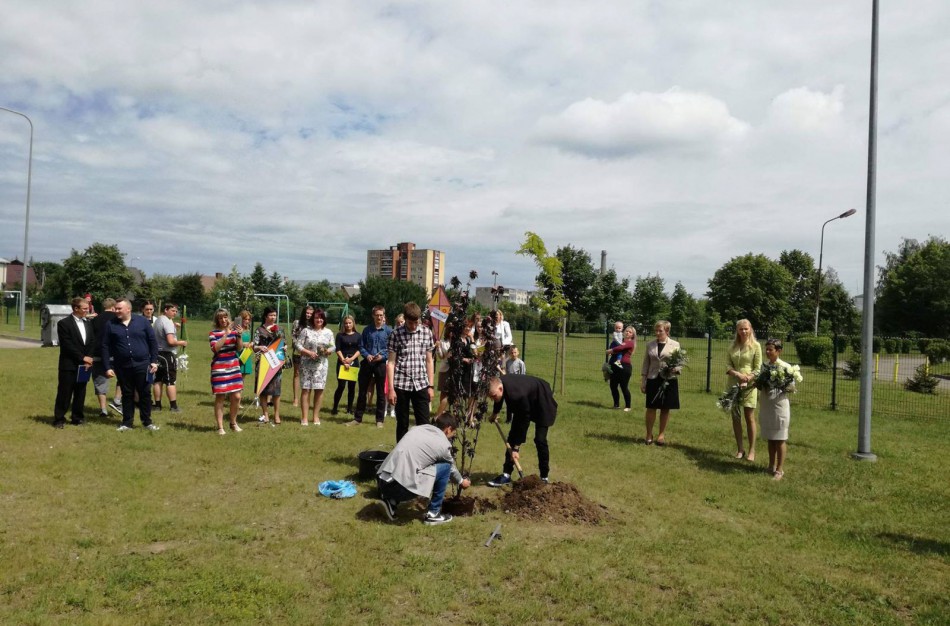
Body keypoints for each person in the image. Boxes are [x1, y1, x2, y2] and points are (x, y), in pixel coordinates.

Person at [376, 413, 471, 525]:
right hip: (400, 487)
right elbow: (451, 468)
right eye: (453, 433)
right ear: (448, 429)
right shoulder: (443, 445)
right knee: (446, 467)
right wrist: (461, 481)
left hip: (382, 482)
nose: (451, 436)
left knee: (412, 467)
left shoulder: (418, 428)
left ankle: (390, 502)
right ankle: (433, 514)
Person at [486, 374, 558, 486]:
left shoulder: (517, 395)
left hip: (542, 401)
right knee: (512, 437)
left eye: (493, 396)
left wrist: (516, 448)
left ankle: (544, 477)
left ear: (500, 388)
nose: (492, 399)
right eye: (490, 397)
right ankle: (506, 475)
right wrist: (495, 414)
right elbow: (499, 399)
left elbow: (524, 421)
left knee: (540, 439)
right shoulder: (501, 384)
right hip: (527, 401)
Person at [101, 298, 160, 432]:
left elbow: (153, 342)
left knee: (144, 393)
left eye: (119, 309)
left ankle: (147, 422)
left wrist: (154, 361)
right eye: (115, 309)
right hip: (122, 366)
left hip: (143, 364)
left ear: (128, 309)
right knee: (127, 394)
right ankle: (127, 423)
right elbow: (105, 346)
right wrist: (107, 367)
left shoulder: (143, 322)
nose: (116, 311)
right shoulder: (111, 324)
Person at [387, 302, 436, 442]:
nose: (413, 326)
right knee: (402, 423)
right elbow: (391, 363)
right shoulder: (396, 334)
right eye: (410, 322)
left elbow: (429, 361)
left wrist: (431, 386)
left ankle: (423, 455)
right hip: (401, 384)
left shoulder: (426, 333)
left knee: (424, 424)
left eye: (416, 322)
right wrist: (391, 389)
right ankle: (402, 456)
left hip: (421, 384)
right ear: (405, 319)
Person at [52, 296, 94, 428]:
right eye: (85, 308)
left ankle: (77, 417)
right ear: (76, 308)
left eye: (88, 308)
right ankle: (59, 419)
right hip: (69, 364)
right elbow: (67, 345)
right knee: (65, 392)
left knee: (81, 391)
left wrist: (89, 358)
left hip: (85, 365)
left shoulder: (88, 323)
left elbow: (92, 341)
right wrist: (82, 357)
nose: (87, 310)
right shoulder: (64, 324)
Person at [347, 306, 391, 427]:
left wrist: (383, 357)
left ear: (384, 316)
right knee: (362, 391)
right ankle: (357, 418)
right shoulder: (367, 330)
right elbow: (361, 346)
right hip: (367, 363)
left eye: (381, 315)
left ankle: (379, 420)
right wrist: (367, 356)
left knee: (381, 392)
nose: (379, 317)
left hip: (381, 363)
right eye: (377, 315)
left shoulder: (388, 331)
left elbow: (391, 349)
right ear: (373, 316)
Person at [640, 320, 681, 446]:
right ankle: (648, 434)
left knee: (665, 408)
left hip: (668, 380)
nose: (657, 333)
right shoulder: (650, 344)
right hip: (653, 379)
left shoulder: (675, 344)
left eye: (660, 331)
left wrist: (676, 369)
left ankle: (661, 435)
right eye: (656, 330)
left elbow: (679, 363)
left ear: (667, 331)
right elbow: (646, 363)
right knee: (651, 407)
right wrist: (643, 380)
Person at [726, 319, 762, 461]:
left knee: (749, 417)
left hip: (749, 385)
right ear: (737, 331)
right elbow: (727, 366)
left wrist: (748, 377)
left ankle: (752, 450)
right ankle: (740, 449)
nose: (744, 331)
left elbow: (758, 368)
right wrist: (737, 374)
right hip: (733, 384)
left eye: (746, 329)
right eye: (741, 329)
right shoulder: (732, 346)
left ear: (751, 329)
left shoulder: (756, 346)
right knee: (735, 417)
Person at [295, 308, 334, 426]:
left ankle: (316, 417)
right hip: (306, 364)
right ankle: (304, 418)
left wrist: (328, 351)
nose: (319, 320)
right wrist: (308, 352)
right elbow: (297, 345)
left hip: (321, 366)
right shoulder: (306, 331)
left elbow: (333, 346)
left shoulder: (329, 332)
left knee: (319, 390)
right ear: (313, 319)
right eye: (317, 317)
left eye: (321, 317)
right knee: (306, 389)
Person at [760, 339, 792, 480]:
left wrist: (780, 383)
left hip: (779, 405)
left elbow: (791, 387)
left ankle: (780, 469)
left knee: (779, 438)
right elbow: (759, 383)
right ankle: (771, 465)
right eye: (766, 349)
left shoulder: (785, 367)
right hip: (767, 404)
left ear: (778, 351)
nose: (767, 352)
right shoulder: (764, 366)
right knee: (770, 438)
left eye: (770, 349)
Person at [209, 309, 244, 434]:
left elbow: (239, 348)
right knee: (220, 397)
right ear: (217, 320)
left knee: (237, 396)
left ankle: (233, 422)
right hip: (219, 368)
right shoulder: (213, 333)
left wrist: (238, 335)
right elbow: (216, 348)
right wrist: (226, 334)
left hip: (233, 366)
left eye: (225, 317)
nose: (223, 320)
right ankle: (220, 427)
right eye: (220, 318)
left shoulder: (234, 332)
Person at [152, 302, 187, 413]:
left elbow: (162, 333)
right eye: (172, 311)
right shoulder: (167, 322)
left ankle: (157, 405)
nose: (175, 313)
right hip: (167, 354)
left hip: (156, 353)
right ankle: (173, 406)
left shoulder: (158, 320)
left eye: (176, 311)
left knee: (158, 380)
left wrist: (174, 327)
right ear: (166, 310)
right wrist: (181, 343)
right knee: (170, 380)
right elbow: (171, 341)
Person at [253, 307, 285, 425]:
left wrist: (285, 347)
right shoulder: (259, 330)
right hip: (263, 363)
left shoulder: (280, 329)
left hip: (276, 363)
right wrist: (260, 347)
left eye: (274, 315)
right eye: (271, 315)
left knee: (276, 390)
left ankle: (276, 415)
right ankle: (265, 414)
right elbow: (254, 347)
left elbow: (284, 343)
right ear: (265, 316)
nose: (273, 317)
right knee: (263, 389)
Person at [90, 297, 119, 417]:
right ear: (113, 307)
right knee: (124, 378)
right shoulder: (117, 319)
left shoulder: (95, 320)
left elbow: (91, 337)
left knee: (100, 382)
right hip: (115, 354)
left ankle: (103, 409)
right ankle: (117, 400)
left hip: (97, 354)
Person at [331, 314, 361, 415]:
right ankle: (335, 407)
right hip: (342, 363)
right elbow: (337, 349)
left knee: (352, 387)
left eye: (350, 323)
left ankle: (349, 408)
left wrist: (351, 359)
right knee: (341, 386)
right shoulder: (340, 335)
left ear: (353, 323)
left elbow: (360, 349)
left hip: (354, 363)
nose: (348, 325)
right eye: (346, 323)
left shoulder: (358, 335)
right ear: (344, 324)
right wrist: (344, 360)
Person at [607, 325, 637, 411]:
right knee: (613, 385)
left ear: (632, 335)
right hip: (615, 365)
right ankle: (616, 405)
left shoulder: (630, 342)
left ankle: (628, 406)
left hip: (625, 367)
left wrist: (610, 351)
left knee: (624, 387)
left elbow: (621, 347)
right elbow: (614, 346)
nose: (627, 332)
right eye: (626, 331)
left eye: (630, 332)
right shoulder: (620, 340)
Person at [290, 305, 314, 407]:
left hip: (310, 353)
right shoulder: (297, 323)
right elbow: (293, 337)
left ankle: (307, 398)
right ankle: (295, 398)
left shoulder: (313, 324)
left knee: (309, 375)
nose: (308, 315)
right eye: (307, 313)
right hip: (298, 352)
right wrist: (300, 349)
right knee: (297, 374)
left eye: (310, 313)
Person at [237, 310, 254, 403]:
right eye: (245, 319)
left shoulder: (248, 330)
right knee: (237, 378)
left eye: (248, 319)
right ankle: (235, 399)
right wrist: (244, 344)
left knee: (242, 379)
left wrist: (251, 344)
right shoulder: (237, 329)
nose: (247, 321)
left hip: (246, 355)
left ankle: (239, 399)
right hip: (238, 355)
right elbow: (234, 342)